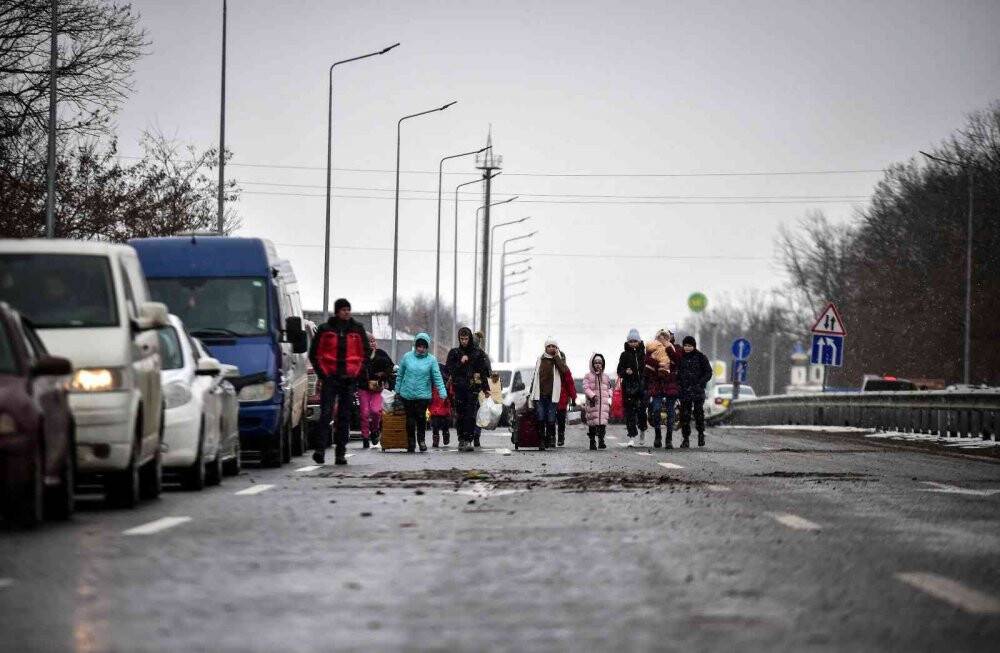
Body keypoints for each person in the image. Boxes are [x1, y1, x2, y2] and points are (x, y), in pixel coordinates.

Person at [308, 298, 370, 465]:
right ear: (337, 311)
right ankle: (320, 450)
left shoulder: (357, 329)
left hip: (349, 379)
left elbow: (365, 353)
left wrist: (356, 373)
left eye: (348, 309)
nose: (346, 312)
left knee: (344, 416)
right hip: (330, 378)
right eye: (343, 309)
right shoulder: (325, 329)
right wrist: (323, 373)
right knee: (326, 413)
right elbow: (315, 353)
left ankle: (340, 453)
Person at [395, 332, 447, 453]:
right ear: (415, 345)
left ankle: (421, 440)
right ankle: (411, 442)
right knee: (409, 420)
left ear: (427, 347)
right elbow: (400, 375)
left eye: (424, 347)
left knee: (421, 418)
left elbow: (437, 377)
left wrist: (442, 392)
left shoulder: (431, 360)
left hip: (423, 395)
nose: (421, 349)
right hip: (406, 394)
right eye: (419, 346)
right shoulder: (407, 357)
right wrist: (397, 390)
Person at [445, 326, 492, 452]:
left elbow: (482, 371)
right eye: (462, 339)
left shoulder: (477, 353)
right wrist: (461, 362)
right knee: (461, 414)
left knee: (471, 415)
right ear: (459, 339)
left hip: (473, 389)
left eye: (466, 338)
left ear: (470, 338)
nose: (464, 341)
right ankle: (462, 439)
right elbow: (450, 370)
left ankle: (469, 439)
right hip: (459, 389)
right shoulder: (454, 353)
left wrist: (486, 388)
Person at [529, 338, 569, 450]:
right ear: (545, 348)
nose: (552, 348)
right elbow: (535, 376)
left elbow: (564, 371)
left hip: (552, 395)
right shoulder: (540, 359)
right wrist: (531, 392)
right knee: (540, 417)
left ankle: (548, 438)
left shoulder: (558, 360)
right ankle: (541, 440)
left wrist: (557, 357)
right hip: (540, 394)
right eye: (549, 346)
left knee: (551, 419)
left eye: (554, 346)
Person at [645, 329, 681, 449]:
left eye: (665, 337)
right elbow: (646, 361)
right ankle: (658, 436)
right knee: (656, 410)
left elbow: (678, 361)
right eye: (660, 337)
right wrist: (659, 365)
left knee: (671, 412)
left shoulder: (675, 348)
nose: (662, 339)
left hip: (671, 385)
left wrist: (669, 351)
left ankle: (669, 439)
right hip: (657, 385)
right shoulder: (652, 348)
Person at [357, 332, 394, 448]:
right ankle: (365, 436)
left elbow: (390, 367)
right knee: (364, 412)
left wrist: (382, 376)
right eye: (369, 341)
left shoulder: (381, 354)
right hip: (363, 388)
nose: (372, 343)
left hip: (377, 388)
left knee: (375, 411)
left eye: (373, 341)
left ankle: (374, 431)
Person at [677, 335, 713, 448]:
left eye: (689, 346)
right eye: (685, 345)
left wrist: (700, 383)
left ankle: (701, 434)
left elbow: (708, 372)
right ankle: (686, 438)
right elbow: (677, 373)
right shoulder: (680, 357)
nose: (687, 348)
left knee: (699, 414)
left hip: (697, 390)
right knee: (684, 415)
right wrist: (679, 385)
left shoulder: (701, 357)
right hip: (684, 391)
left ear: (694, 346)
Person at [617, 329, 648, 447]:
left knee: (641, 413)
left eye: (635, 341)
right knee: (630, 414)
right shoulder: (624, 355)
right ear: (628, 342)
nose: (633, 343)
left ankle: (642, 432)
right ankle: (631, 436)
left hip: (642, 388)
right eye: (631, 341)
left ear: (639, 342)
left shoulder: (644, 355)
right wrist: (626, 371)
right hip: (629, 389)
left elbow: (649, 370)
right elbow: (619, 370)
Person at [583, 353, 613, 450]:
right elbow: (586, 388)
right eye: (595, 363)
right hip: (593, 403)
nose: (598, 365)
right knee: (592, 423)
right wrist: (592, 395)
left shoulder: (606, 377)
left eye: (600, 363)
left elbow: (609, 388)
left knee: (602, 423)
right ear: (592, 364)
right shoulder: (588, 376)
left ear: (603, 364)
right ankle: (592, 441)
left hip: (603, 404)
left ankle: (601, 440)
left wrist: (610, 394)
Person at [554, 351, 577, 446]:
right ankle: (553, 437)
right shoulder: (553, 369)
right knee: (552, 420)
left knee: (560, 420)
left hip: (562, 399)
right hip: (553, 398)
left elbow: (570, 384)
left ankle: (560, 436)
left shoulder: (565, 370)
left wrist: (573, 397)